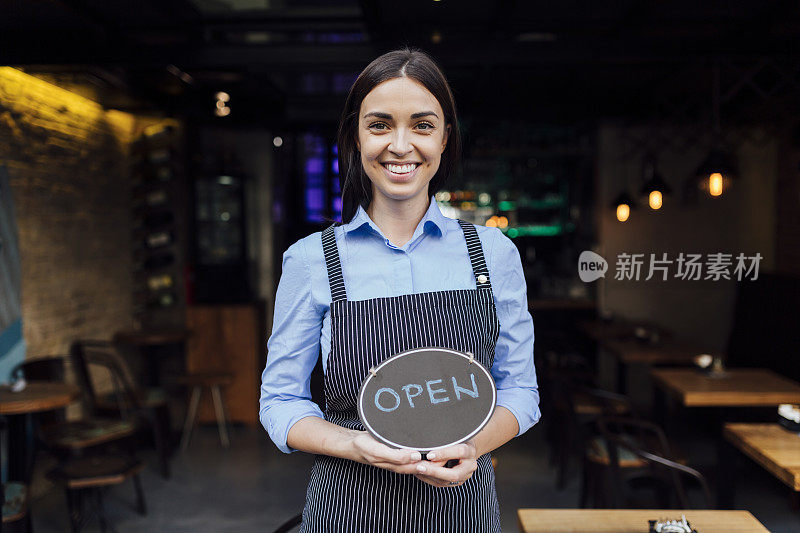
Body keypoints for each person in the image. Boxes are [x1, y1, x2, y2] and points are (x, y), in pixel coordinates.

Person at [260, 48, 539, 533]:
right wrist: (352, 445)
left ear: (445, 138)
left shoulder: (491, 254)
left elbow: (521, 390)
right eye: (381, 124)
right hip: (346, 509)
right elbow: (279, 401)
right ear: (355, 136)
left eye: (423, 125)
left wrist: (473, 448)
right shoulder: (311, 259)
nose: (401, 144)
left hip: (461, 510)